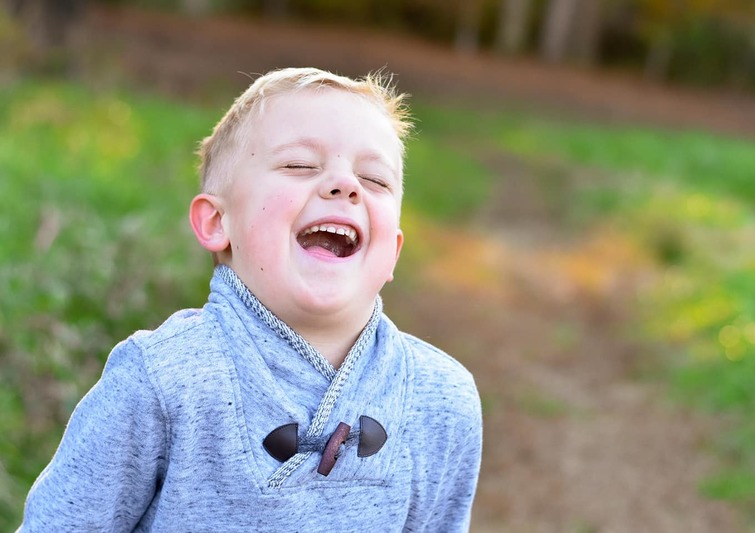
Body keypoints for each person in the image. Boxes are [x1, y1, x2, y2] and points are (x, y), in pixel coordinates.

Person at [19, 67, 482, 531]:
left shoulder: (442, 400)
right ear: (217, 223)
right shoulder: (163, 380)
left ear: (393, 253)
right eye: (300, 165)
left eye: (375, 179)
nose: (346, 185)